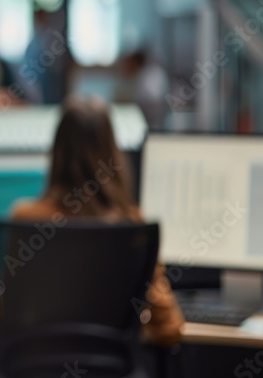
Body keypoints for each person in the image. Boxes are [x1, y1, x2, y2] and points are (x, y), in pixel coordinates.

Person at [10, 96, 184, 347]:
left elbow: (8, 312)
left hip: (37, 372)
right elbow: (169, 327)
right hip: (112, 377)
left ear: (57, 152)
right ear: (112, 155)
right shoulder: (132, 226)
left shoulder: (25, 219)